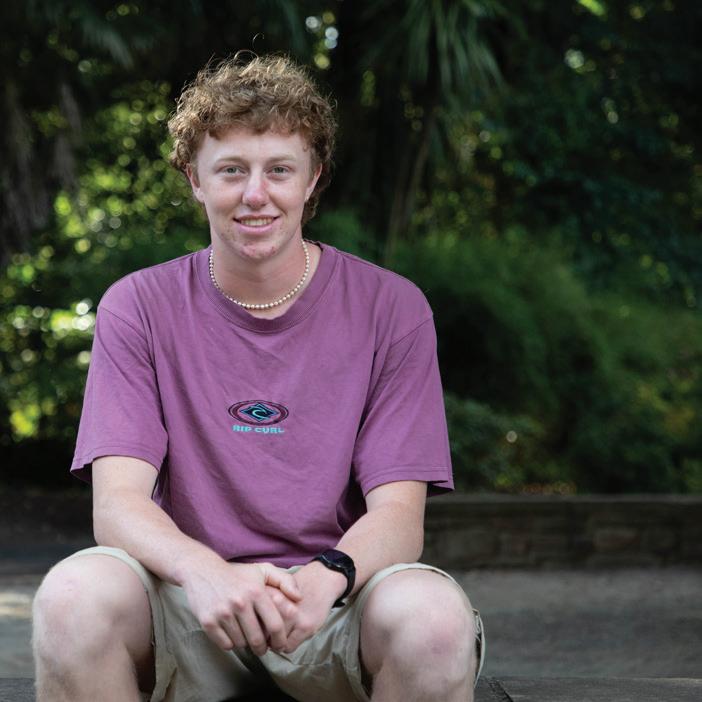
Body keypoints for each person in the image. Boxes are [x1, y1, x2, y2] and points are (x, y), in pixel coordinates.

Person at [31, 53, 485, 702]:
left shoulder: (392, 309)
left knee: (434, 620)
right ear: (194, 179)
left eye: (279, 169)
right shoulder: (138, 307)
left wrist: (328, 577)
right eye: (231, 170)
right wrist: (204, 571)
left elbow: (399, 516)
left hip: (334, 602)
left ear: (312, 178)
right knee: (73, 598)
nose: (255, 194)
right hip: (189, 599)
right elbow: (118, 504)